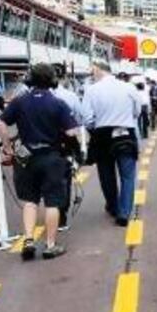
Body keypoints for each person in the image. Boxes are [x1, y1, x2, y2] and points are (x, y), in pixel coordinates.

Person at [0, 63, 80, 260]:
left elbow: (1, 123)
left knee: (30, 200)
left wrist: (8, 147)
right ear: (52, 80)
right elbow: (71, 132)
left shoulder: (19, 101)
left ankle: (29, 240)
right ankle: (50, 245)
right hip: (51, 155)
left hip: (25, 154)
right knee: (52, 201)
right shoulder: (58, 103)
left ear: (30, 80)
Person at [82, 61, 141, 227]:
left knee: (106, 174)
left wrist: (97, 125)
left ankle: (113, 206)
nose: (91, 73)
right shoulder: (129, 87)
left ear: (99, 70)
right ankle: (124, 212)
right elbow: (137, 111)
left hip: (102, 134)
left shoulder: (91, 90)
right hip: (125, 132)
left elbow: (87, 118)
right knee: (128, 175)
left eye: (92, 69)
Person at [52, 65, 85, 231]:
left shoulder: (26, 97)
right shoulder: (70, 96)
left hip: (38, 147)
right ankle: (61, 216)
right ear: (63, 78)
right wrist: (79, 150)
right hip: (64, 144)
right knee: (64, 180)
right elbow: (79, 120)